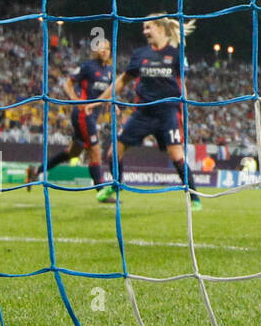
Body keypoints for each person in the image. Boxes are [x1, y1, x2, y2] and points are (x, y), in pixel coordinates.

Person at [95, 17, 200, 210]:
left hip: (167, 112)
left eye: (148, 27)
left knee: (177, 155)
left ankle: (194, 198)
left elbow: (181, 83)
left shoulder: (176, 55)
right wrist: (104, 98)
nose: (144, 31)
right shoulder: (140, 54)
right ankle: (115, 186)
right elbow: (123, 80)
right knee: (113, 152)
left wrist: (183, 111)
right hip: (142, 111)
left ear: (160, 28)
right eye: (143, 27)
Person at [27, 38, 113, 192]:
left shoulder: (110, 71)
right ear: (95, 50)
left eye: (107, 48)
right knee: (95, 150)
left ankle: (35, 171)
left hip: (93, 116)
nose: (105, 51)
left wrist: (113, 104)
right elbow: (67, 84)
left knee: (73, 153)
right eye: (102, 48)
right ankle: (102, 191)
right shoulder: (87, 66)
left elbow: (106, 94)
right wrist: (76, 100)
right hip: (82, 115)